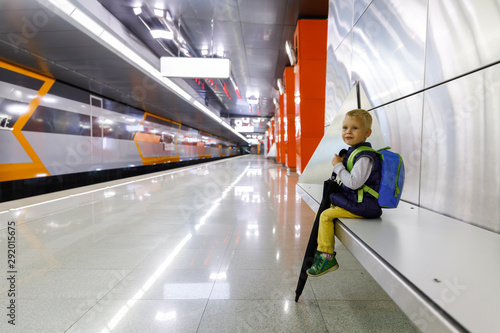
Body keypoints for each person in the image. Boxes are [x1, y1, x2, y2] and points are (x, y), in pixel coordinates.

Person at [307, 109, 382, 277]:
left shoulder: (364, 157)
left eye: (355, 128)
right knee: (322, 212)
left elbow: (354, 183)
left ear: (367, 133)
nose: (348, 131)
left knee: (325, 215)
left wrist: (337, 166)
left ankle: (326, 257)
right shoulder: (355, 152)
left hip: (364, 206)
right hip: (357, 201)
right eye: (345, 127)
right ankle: (321, 246)